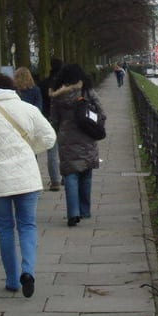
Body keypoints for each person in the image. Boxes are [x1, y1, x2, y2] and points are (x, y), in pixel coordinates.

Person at [0, 73, 55, 297]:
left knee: (5, 229)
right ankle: (29, 271)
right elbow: (49, 138)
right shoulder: (29, 109)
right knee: (27, 226)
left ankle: (13, 280)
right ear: (13, 89)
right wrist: (29, 150)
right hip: (27, 178)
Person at [49, 63, 104, 226]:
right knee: (86, 173)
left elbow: (54, 120)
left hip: (66, 139)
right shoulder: (87, 91)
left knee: (70, 174)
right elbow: (101, 112)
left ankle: (73, 212)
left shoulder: (57, 97)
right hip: (87, 137)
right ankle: (85, 210)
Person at [40, 57, 63, 192]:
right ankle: (68, 176)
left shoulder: (44, 84)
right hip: (65, 120)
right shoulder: (66, 84)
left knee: (52, 151)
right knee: (66, 150)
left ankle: (55, 181)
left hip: (49, 119)